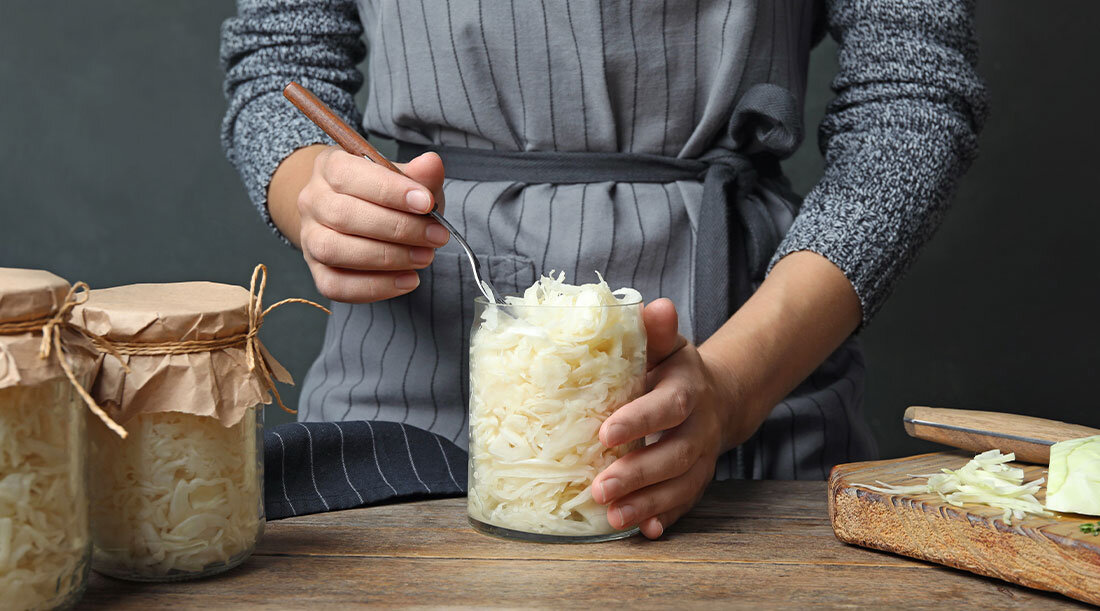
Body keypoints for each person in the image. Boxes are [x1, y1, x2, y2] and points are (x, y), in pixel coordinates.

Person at [221, 0, 986, 538]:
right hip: (396, 388)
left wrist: (730, 389)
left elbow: (908, 98)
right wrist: (311, 191)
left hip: (750, 365)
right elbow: (280, 62)